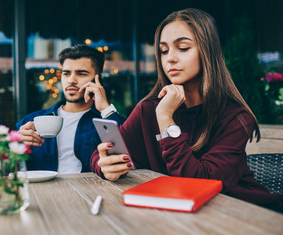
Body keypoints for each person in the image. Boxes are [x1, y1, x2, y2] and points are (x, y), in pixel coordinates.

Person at [91, 8, 282, 211]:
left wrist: (166, 119)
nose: (170, 58)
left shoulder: (235, 117)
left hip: (245, 212)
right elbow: (100, 154)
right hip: (178, 215)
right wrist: (103, 164)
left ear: (207, 52)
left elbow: (198, 182)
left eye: (183, 48)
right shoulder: (148, 110)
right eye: (163, 51)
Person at [17, 44, 125, 174]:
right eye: (66, 74)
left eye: (81, 74)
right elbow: (0, 168)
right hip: (43, 193)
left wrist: (106, 109)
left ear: (98, 80)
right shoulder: (31, 121)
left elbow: (128, 154)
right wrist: (14, 145)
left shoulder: (106, 121)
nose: (71, 80)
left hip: (89, 193)